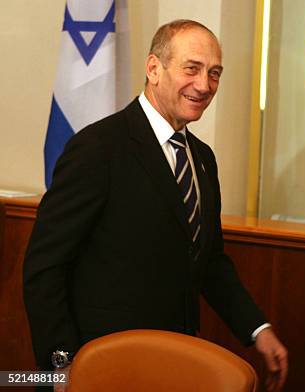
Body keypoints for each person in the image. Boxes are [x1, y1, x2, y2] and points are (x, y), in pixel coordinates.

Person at [23, 19, 288, 391]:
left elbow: (207, 259)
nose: (204, 85)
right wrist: (60, 366)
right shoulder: (98, 149)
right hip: (99, 368)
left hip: (173, 364)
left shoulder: (202, 158)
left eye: (214, 73)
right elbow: (44, 267)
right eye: (191, 69)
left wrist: (258, 330)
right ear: (154, 69)